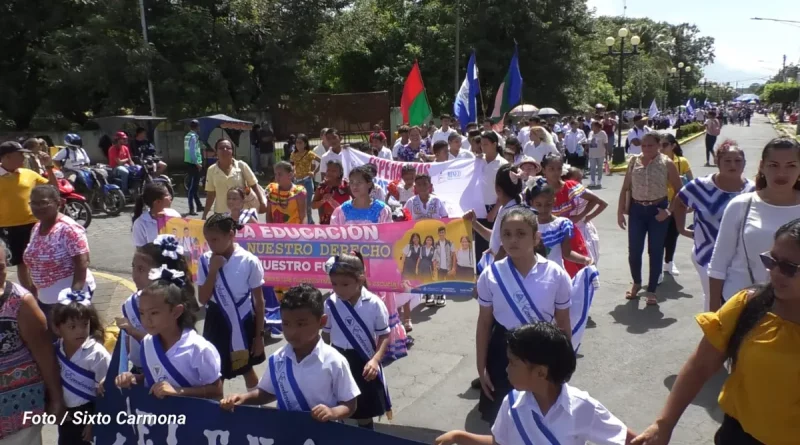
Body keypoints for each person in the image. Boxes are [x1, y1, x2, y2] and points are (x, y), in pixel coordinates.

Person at [632, 219, 800, 445]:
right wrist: (664, 424)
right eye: (771, 261)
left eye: (789, 268)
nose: (776, 273)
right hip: (737, 437)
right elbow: (700, 366)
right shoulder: (749, 304)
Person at [437, 322, 635, 445]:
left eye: (513, 363)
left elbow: (632, 440)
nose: (506, 369)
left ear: (541, 372)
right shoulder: (512, 403)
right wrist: (459, 437)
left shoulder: (582, 407)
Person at [475, 207, 572, 423]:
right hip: (503, 351)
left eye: (521, 233)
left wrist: (565, 363)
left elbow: (564, 322)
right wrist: (481, 367)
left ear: (536, 237)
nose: (513, 240)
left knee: (542, 417)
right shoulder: (491, 275)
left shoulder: (555, 274)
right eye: (507, 234)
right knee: (503, 420)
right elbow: (484, 323)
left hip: (543, 350)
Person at [219, 284, 361, 422]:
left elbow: (350, 403)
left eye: (301, 324)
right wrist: (243, 398)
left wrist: (332, 412)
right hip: (287, 434)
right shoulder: (277, 359)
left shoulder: (334, 361)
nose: (292, 332)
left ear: (322, 322)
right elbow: (267, 393)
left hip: (322, 436)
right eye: (286, 324)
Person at [707, 137, 800, 312]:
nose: (781, 173)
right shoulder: (741, 205)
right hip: (741, 306)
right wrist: (713, 315)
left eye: (791, 165)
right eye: (773, 165)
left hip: (792, 312)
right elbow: (718, 264)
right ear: (762, 166)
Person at [115, 266, 222, 400]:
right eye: (142, 313)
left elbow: (217, 391)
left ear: (176, 312)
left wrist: (179, 391)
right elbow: (153, 377)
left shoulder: (198, 348)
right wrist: (133, 378)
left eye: (154, 313)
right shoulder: (148, 342)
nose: (146, 320)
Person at [673, 140, 755, 310]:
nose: (733, 165)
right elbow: (679, 202)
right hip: (707, 253)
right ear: (718, 162)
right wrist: (681, 229)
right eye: (727, 161)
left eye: (738, 161)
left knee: (738, 299)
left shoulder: (753, 190)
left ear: (744, 163)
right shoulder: (701, 186)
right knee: (713, 298)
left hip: (740, 257)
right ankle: (712, 333)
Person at [0, 239, 64, 445]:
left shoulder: (20, 302)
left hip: (18, 408)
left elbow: (44, 353)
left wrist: (56, 398)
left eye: (0, 267)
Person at [322, 253, 393, 429]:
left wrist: (375, 360)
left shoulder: (375, 304)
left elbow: (384, 335)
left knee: (363, 413)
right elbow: (326, 334)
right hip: (338, 360)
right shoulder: (330, 303)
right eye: (334, 284)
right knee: (337, 409)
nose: (339, 289)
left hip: (363, 362)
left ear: (360, 280)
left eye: (345, 284)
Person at [197, 214, 266, 391]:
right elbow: (202, 299)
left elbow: (259, 301)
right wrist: (213, 271)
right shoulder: (205, 260)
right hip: (216, 321)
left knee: (246, 367)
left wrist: (259, 336)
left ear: (231, 235)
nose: (211, 244)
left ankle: (254, 406)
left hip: (243, 321)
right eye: (208, 240)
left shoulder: (249, 261)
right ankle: (218, 412)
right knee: (215, 370)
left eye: (215, 239)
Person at [617, 132, 683, 305]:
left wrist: (668, 211)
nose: (646, 149)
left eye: (650, 145)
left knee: (655, 251)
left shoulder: (666, 163)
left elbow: (679, 191)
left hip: (658, 211)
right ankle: (637, 283)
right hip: (637, 210)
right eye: (644, 146)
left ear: (659, 145)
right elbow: (625, 188)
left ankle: (652, 290)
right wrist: (619, 211)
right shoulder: (634, 161)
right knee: (634, 250)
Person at [23, 185, 95, 325]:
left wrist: (73, 299)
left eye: (44, 202)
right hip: (45, 296)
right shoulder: (37, 227)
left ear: (58, 203)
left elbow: (82, 264)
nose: (38, 207)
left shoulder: (69, 229)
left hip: (66, 296)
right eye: (34, 203)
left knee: (70, 339)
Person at [118, 236, 191, 374]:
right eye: (133, 267)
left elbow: (164, 344)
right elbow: (127, 344)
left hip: (167, 372)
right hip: (137, 371)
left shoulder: (171, 304)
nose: (134, 275)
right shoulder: (130, 303)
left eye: (141, 269)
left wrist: (133, 332)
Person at [52, 290, 110, 445]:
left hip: (89, 412)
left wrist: (94, 420)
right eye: (72, 326)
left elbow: (107, 392)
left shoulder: (97, 354)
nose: (80, 330)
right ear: (58, 329)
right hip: (66, 414)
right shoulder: (55, 350)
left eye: (85, 324)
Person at [0, 141, 58, 293]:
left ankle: (42, 289)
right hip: (7, 227)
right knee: (20, 262)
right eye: (20, 155)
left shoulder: (28, 173)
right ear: (7, 157)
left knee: (40, 258)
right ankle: (28, 293)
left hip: (35, 225)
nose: (23, 158)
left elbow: (52, 188)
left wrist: (49, 167)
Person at [542, 154, 607, 265]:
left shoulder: (570, 187)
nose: (555, 172)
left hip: (570, 234)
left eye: (558, 168)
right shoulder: (540, 189)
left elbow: (595, 200)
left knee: (575, 268)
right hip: (549, 235)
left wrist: (580, 217)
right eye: (551, 169)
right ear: (544, 170)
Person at [527, 180, 593, 277]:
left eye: (548, 204)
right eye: (539, 205)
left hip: (556, 275)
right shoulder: (528, 225)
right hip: (533, 276)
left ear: (554, 201)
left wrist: (585, 260)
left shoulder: (562, 224)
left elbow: (567, 253)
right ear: (532, 203)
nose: (543, 209)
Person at [404, 173, 449, 311]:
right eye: (419, 184)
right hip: (420, 242)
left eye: (425, 184)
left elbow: (446, 218)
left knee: (439, 264)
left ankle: (440, 292)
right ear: (415, 187)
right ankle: (428, 291)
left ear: (430, 186)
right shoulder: (411, 202)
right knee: (425, 266)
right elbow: (405, 219)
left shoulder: (437, 201)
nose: (422, 186)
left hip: (435, 240)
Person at [202, 139, 264, 219]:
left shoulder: (241, 166)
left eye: (228, 148)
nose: (225, 150)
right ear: (216, 151)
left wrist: (262, 203)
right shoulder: (211, 170)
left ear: (232, 151)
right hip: (221, 214)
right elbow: (211, 195)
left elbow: (254, 185)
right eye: (221, 148)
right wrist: (204, 215)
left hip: (241, 213)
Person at [660, 134, 693, 280]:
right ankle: (658, 265)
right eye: (659, 144)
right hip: (661, 202)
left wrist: (692, 203)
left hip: (678, 203)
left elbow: (692, 183)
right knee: (658, 235)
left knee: (673, 234)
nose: (661, 148)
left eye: (665, 145)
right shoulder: (656, 162)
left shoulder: (682, 162)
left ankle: (669, 262)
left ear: (673, 146)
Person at [475, 131, 509, 266]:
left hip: (494, 208)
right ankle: (480, 275)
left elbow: (505, 190)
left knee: (493, 243)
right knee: (479, 245)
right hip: (478, 207)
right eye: (481, 144)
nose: (483, 147)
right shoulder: (478, 161)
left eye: (486, 144)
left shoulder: (503, 164)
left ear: (494, 144)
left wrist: (494, 210)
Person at [132, 183, 182, 248]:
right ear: (158, 202)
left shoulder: (175, 215)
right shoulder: (140, 223)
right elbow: (140, 249)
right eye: (167, 195)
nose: (171, 197)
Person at [290, 134, 319, 223]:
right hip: (297, 182)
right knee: (298, 205)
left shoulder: (309, 154)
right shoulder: (293, 154)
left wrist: (314, 172)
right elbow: (292, 165)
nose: (298, 145)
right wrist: (293, 172)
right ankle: (305, 222)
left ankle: (309, 225)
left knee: (307, 205)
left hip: (307, 181)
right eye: (297, 143)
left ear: (305, 144)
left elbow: (322, 161)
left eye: (300, 143)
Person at [312, 160, 350, 225]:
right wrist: (323, 200)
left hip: (344, 220)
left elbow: (356, 201)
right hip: (327, 222)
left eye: (334, 171)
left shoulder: (346, 185)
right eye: (328, 170)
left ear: (340, 173)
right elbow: (313, 205)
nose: (330, 173)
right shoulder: (322, 186)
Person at [184, 120, 205, 216]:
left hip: (190, 163)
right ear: (197, 127)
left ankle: (199, 206)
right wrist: (197, 163)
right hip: (193, 164)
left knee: (195, 186)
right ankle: (191, 209)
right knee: (192, 188)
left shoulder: (188, 135)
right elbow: (192, 152)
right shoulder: (193, 137)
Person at [107, 132, 132, 196]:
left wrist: (134, 166)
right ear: (118, 140)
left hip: (125, 166)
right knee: (125, 172)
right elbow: (119, 162)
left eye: (125, 138)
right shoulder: (112, 149)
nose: (125, 140)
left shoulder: (125, 148)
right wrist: (127, 159)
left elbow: (130, 160)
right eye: (123, 139)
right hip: (115, 168)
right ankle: (125, 191)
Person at [588, 121, 609, 188]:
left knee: (600, 167)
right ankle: (592, 181)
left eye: (593, 125)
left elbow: (605, 143)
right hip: (592, 153)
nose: (591, 127)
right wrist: (586, 149)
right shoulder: (591, 133)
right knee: (592, 167)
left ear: (597, 126)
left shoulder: (603, 133)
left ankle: (599, 181)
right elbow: (588, 142)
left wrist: (607, 152)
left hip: (600, 153)